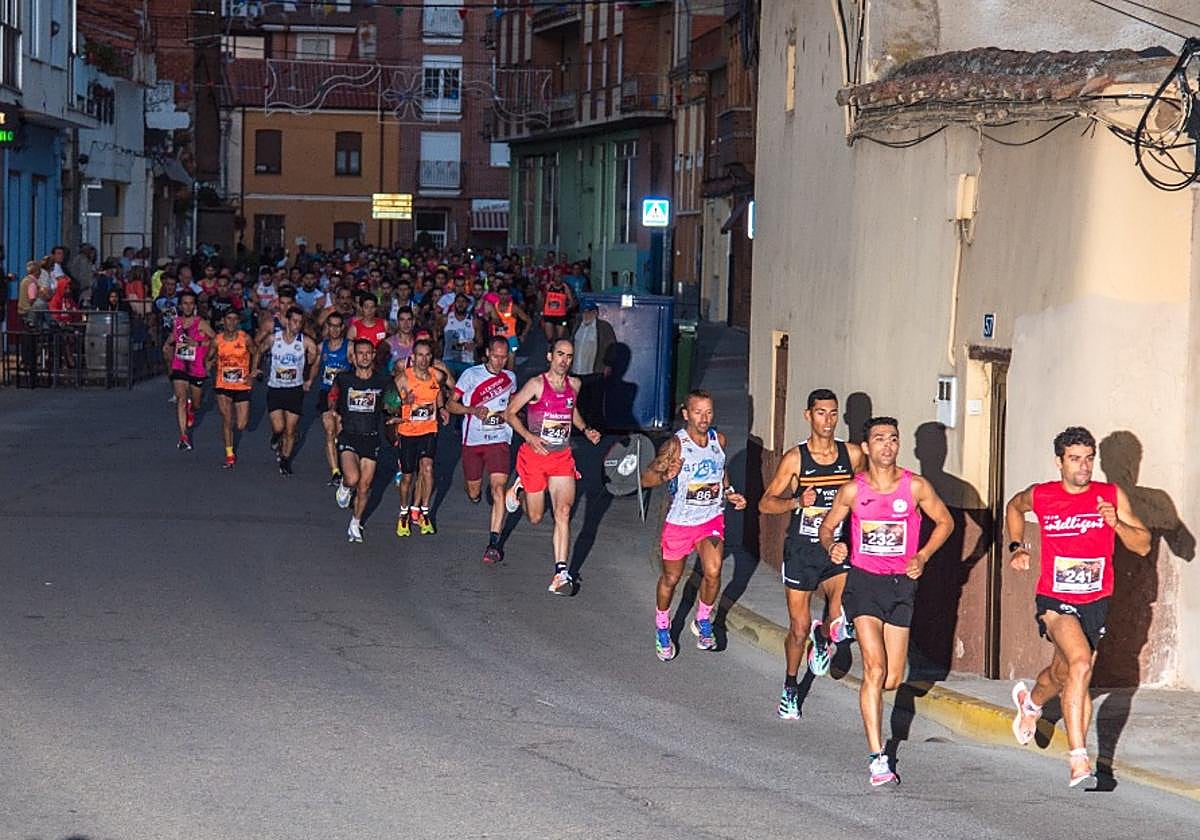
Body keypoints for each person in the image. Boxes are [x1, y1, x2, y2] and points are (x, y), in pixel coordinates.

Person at [1005, 426, 1150, 787]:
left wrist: (1116, 524)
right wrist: (1017, 546)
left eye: (1088, 459)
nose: (1083, 467)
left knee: (1064, 673)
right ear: (1059, 462)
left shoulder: (1110, 495)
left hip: (1096, 601)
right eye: (1074, 459)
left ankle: (1031, 703)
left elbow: (1143, 544)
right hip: (1055, 599)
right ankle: (1078, 758)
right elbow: (1014, 507)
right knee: (1081, 664)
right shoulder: (1042, 495)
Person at [818, 416, 953, 786]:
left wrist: (923, 555)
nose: (887, 445)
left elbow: (945, 522)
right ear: (866, 447)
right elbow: (827, 527)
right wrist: (833, 546)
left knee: (893, 678)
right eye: (879, 439)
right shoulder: (853, 490)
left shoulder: (915, 487)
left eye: (893, 438)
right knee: (874, 670)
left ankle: (840, 628)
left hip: (901, 587)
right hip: (864, 584)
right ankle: (877, 757)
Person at [759, 389, 866, 718]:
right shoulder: (796, 458)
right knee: (798, 628)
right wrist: (796, 502)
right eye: (821, 413)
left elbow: (867, 490)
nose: (828, 420)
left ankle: (824, 637)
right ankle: (790, 686)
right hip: (802, 551)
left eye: (833, 413)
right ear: (808, 415)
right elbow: (766, 503)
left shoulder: (852, 455)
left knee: (839, 614)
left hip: (835, 547)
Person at [641, 390, 747, 660]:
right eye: (698, 412)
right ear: (686, 414)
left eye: (708, 412)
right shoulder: (675, 445)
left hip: (710, 519)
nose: (704, 418)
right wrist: (666, 474)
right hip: (680, 523)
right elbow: (646, 478)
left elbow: (720, 470)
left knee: (713, 570)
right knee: (671, 579)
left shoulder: (718, 440)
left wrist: (729, 491)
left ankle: (702, 620)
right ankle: (662, 627)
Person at [504, 338, 602, 594]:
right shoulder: (536, 384)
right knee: (535, 517)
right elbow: (510, 412)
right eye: (560, 354)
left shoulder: (575, 385)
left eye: (569, 356)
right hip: (535, 456)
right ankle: (520, 488)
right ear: (550, 356)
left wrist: (586, 429)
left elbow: (571, 411)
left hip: (561, 458)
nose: (564, 361)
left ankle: (561, 573)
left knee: (563, 511)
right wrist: (529, 436)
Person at [448, 335, 518, 564]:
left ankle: (493, 544)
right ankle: (477, 494)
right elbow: (451, 404)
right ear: (487, 353)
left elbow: (514, 406)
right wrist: (472, 410)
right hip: (473, 441)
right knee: (473, 491)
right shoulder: (471, 375)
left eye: (503, 357)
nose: (499, 362)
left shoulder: (510, 378)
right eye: (496, 356)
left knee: (498, 490)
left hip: (499, 440)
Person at [329, 339, 394, 543]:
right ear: (354, 357)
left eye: (368, 353)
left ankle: (355, 522)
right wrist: (333, 411)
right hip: (349, 435)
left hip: (371, 438)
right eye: (360, 353)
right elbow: (332, 397)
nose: (364, 357)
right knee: (353, 478)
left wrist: (396, 410)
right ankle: (345, 486)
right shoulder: (344, 379)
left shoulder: (383, 380)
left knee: (365, 486)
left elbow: (391, 404)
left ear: (373, 355)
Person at [392, 338, 446, 536]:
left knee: (427, 468)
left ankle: (424, 511)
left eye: (427, 355)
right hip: (408, 432)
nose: (423, 359)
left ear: (431, 357)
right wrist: (403, 402)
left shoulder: (437, 375)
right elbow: (389, 404)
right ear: (413, 357)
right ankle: (403, 512)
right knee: (408, 477)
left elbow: (438, 393)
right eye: (420, 355)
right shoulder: (403, 378)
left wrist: (441, 408)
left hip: (429, 429)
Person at [257, 306, 318, 475]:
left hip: (294, 390)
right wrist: (256, 369)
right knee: (279, 427)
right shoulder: (274, 338)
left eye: (300, 322)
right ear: (287, 321)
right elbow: (259, 350)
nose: (297, 325)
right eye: (294, 321)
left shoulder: (305, 342)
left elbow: (314, 358)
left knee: (290, 429)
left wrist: (309, 376)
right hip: (275, 388)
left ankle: (285, 460)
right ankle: (276, 436)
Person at [164, 290, 215, 450]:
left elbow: (215, 340)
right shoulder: (177, 322)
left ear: (194, 306)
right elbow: (174, 337)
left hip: (196, 368)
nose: (188, 306)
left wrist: (198, 344)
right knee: (181, 399)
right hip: (180, 365)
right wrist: (167, 345)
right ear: (180, 305)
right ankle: (183, 436)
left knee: (197, 403)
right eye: (185, 303)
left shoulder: (200, 323)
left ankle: (192, 409)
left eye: (191, 303)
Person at [211, 309, 259, 468]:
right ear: (223, 321)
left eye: (234, 319)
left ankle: (230, 447)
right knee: (227, 419)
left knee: (241, 424)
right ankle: (229, 454)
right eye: (228, 318)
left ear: (238, 321)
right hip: (223, 384)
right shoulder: (217, 340)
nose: (231, 322)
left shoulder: (245, 338)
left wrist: (253, 371)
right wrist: (208, 363)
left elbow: (256, 352)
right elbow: (209, 356)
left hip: (241, 384)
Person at [318, 311, 352, 485]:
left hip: (344, 394)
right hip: (326, 392)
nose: (335, 330)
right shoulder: (321, 347)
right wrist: (307, 380)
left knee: (340, 432)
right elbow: (314, 366)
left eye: (338, 326)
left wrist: (344, 374)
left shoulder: (349, 347)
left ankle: (346, 465)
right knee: (330, 432)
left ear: (342, 328)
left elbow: (358, 367)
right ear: (328, 327)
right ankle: (335, 472)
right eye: (331, 326)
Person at [570, 301, 616, 430]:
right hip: (577, 370)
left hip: (595, 370)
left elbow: (611, 346)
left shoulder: (604, 327)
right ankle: (580, 428)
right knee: (578, 401)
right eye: (584, 312)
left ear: (595, 313)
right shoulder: (577, 325)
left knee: (595, 402)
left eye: (589, 312)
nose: (586, 315)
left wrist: (608, 364)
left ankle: (596, 428)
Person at [483, 284, 531, 367]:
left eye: (505, 294)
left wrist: (523, 334)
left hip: (511, 339)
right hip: (496, 340)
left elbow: (528, 320)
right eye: (501, 294)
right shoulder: (493, 308)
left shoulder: (514, 308)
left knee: (510, 365)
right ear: (497, 295)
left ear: (509, 295)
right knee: (496, 365)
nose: (503, 297)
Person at [441, 292, 481, 377]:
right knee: (450, 384)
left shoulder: (474, 321)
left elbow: (480, 341)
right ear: (454, 303)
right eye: (458, 301)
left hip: (467, 361)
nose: (460, 304)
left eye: (463, 301)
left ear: (467, 304)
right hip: (449, 360)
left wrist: (474, 345)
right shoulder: (446, 318)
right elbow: (436, 333)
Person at [539, 273, 574, 342]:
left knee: (559, 338)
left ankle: (558, 346)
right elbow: (543, 299)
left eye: (559, 277)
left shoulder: (565, 287)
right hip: (548, 314)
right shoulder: (549, 286)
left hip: (560, 316)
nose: (558, 279)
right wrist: (542, 312)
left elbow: (571, 301)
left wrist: (567, 309)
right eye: (556, 277)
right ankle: (550, 347)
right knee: (549, 338)